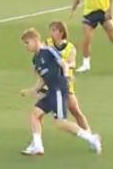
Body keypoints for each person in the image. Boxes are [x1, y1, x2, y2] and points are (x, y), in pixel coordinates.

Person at [19, 28, 102, 156]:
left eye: (27, 42)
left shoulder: (48, 50)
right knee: (35, 115)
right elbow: (42, 79)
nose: (26, 46)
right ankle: (38, 146)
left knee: (60, 123)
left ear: (35, 40)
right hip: (51, 90)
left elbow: (64, 64)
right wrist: (31, 90)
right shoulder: (35, 59)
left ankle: (91, 138)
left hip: (58, 88)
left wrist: (66, 77)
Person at [44, 21, 91, 132]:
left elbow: (72, 64)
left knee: (75, 110)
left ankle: (89, 134)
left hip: (64, 82)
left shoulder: (70, 48)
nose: (51, 33)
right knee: (38, 112)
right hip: (50, 82)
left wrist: (63, 64)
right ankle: (36, 139)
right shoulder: (48, 43)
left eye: (54, 30)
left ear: (61, 32)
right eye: (51, 30)